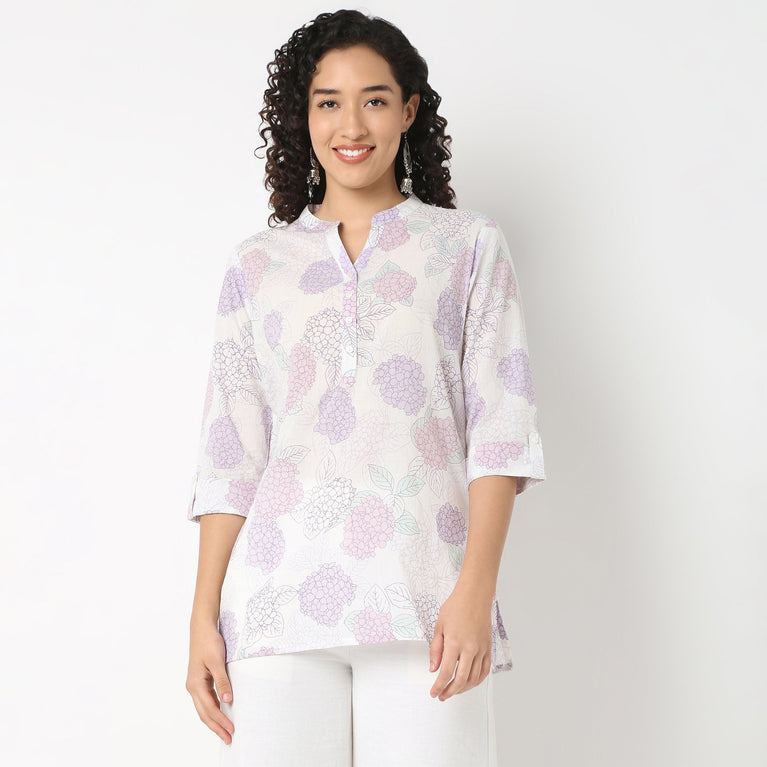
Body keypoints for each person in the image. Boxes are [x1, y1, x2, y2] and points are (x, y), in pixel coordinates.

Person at [184, 9, 546, 767]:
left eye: (374, 100)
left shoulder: (467, 247)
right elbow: (231, 456)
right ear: (304, 117)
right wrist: (202, 618)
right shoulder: (257, 265)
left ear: (408, 111)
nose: (351, 125)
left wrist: (475, 593)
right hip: (274, 610)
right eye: (329, 102)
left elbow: (500, 434)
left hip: (426, 602)